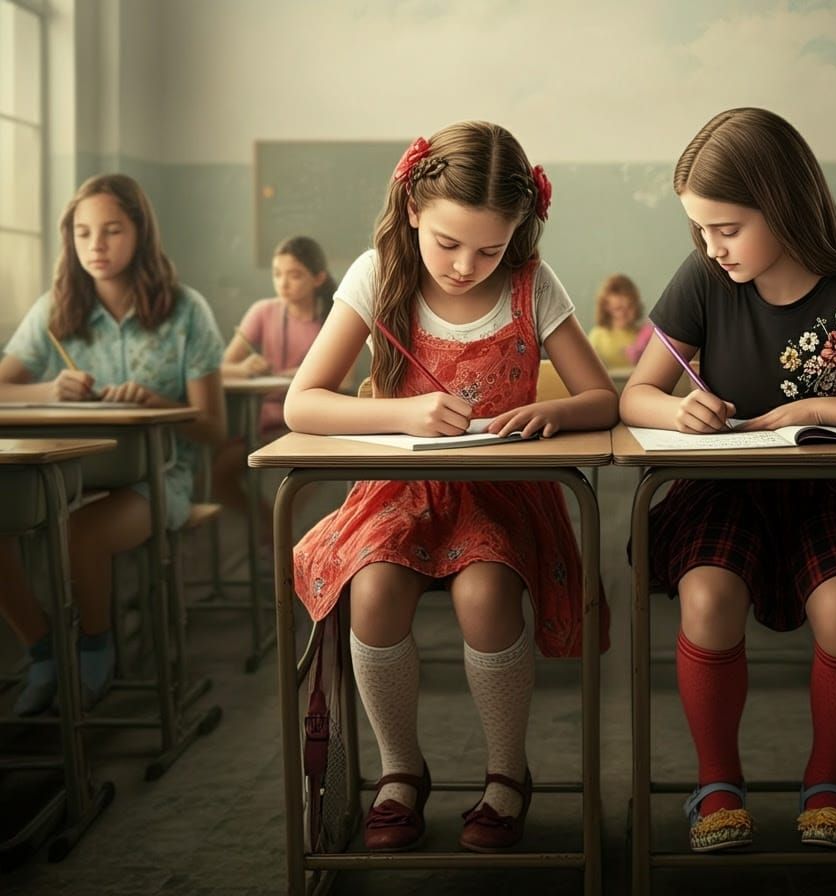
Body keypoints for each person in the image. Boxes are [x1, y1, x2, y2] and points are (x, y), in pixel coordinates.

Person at [619, 108, 836, 853]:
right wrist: (680, 411)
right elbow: (634, 395)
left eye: (727, 228)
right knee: (707, 594)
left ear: (782, 202)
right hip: (724, 488)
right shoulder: (704, 278)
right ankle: (717, 783)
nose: (712, 246)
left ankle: (828, 780)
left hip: (829, 489)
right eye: (701, 231)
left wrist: (809, 405)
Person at [284, 123, 618, 853]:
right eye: (448, 244)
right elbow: (301, 403)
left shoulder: (533, 285)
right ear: (411, 210)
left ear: (517, 235)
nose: (467, 265)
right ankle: (399, 773)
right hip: (399, 492)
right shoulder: (378, 274)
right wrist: (403, 412)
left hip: (501, 492)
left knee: (485, 593)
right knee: (371, 592)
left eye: (489, 249)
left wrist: (551, 409)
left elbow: (602, 400)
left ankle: (507, 775)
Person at [0, 173, 226, 715]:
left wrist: (157, 403)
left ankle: (96, 645)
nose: (95, 247)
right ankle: (42, 648)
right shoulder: (55, 309)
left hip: (158, 478)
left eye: (111, 231)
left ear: (140, 234)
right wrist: (47, 390)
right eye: (82, 234)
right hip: (68, 476)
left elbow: (215, 430)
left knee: (81, 534)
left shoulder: (185, 310)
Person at [211, 235, 335, 524]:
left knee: (310, 473)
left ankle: (287, 529)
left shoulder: (333, 316)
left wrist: (302, 377)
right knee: (220, 473)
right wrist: (246, 368)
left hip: (310, 425)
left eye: (294, 275)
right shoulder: (263, 311)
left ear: (318, 278)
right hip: (260, 423)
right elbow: (220, 368)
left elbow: (344, 380)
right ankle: (269, 528)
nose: (283, 283)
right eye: (277, 274)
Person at [587, 272, 644, 367]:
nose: (623, 313)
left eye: (629, 307)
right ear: (606, 308)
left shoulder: (644, 335)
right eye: (617, 308)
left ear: (636, 306)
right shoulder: (597, 336)